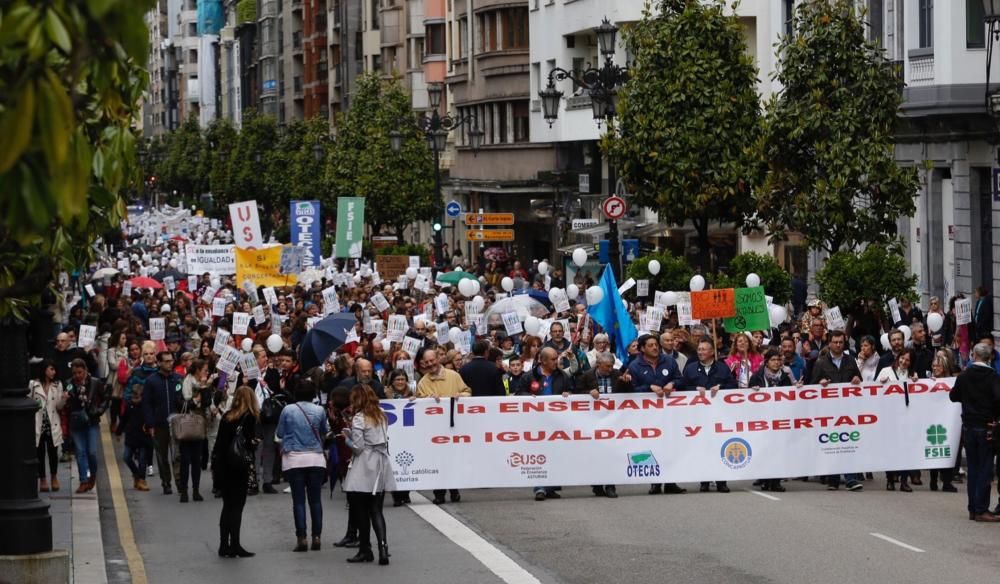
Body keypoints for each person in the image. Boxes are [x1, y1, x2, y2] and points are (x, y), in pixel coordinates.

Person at [276, 368, 329, 552]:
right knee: (315, 500)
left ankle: (302, 537)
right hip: (315, 457)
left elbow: (280, 433)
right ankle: (317, 536)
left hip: (294, 458)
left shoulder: (288, 410)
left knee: (298, 500)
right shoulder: (319, 410)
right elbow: (324, 431)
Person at [342, 384, 396, 565]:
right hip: (381, 462)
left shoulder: (359, 418)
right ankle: (383, 547)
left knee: (361, 511)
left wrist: (347, 437)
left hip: (365, 464)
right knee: (376, 510)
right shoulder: (381, 413)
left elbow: (358, 447)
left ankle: (365, 549)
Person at [948, 343, 1000, 522]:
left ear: (974, 356)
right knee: (985, 468)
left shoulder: (964, 375)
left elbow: (953, 396)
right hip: (986, 426)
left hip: (968, 426)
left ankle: (973, 508)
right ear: (989, 357)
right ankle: (981, 509)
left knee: (974, 468)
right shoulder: (992, 376)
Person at [415, 346, 470, 504]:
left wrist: (462, 395)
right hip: (434, 430)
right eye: (427, 362)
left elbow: (467, 391)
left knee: (452, 460)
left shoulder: (454, 376)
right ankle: (439, 493)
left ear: (438, 359)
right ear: (423, 364)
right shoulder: (423, 383)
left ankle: (454, 490)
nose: (430, 364)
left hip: (454, 427)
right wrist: (425, 400)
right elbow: (419, 404)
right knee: (436, 461)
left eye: (432, 360)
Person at [809, 331, 863, 491]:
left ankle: (850, 478)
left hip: (847, 410)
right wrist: (820, 382)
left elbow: (859, 380)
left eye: (841, 342)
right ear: (830, 343)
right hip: (829, 411)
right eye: (835, 342)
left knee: (848, 441)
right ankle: (833, 479)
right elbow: (812, 385)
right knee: (832, 442)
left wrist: (856, 380)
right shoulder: (821, 363)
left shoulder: (850, 361)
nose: (838, 345)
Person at [518, 347, 573, 501]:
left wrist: (568, 395)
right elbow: (518, 394)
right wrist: (530, 397)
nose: (557, 361)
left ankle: (550, 487)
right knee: (540, 454)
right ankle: (539, 487)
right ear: (543, 361)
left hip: (557, 423)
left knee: (555, 455)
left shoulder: (562, 376)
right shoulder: (529, 377)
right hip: (536, 423)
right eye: (554, 359)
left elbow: (571, 391)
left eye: (557, 358)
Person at [682, 339, 736, 492]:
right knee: (702, 448)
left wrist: (721, 387)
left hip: (719, 416)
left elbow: (733, 385)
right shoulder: (691, 368)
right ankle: (704, 481)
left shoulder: (722, 368)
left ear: (712, 352)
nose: (700, 352)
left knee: (720, 446)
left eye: (704, 349)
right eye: (699, 349)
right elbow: (682, 386)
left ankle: (721, 481)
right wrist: (694, 388)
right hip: (698, 416)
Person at [213, 386, 260, 556]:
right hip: (239, 467)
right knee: (237, 507)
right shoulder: (249, 418)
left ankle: (223, 544)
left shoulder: (227, 416)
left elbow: (219, 444)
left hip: (224, 466)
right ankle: (236, 545)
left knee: (227, 506)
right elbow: (248, 444)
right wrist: (254, 442)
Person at [576, 352, 629, 498]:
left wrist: (626, 382)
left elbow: (628, 393)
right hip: (593, 421)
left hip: (613, 420)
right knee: (596, 453)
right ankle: (597, 484)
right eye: (607, 367)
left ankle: (610, 485)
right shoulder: (587, 376)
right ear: (598, 365)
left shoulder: (617, 374)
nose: (610, 369)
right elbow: (576, 393)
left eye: (611, 366)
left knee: (611, 452)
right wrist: (587, 392)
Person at [748, 349, 795, 492]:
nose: (776, 363)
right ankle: (765, 478)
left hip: (779, 418)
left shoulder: (785, 378)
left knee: (778, 449)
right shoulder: (757, 377)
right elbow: (747, 398)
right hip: (762, 419)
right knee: (765, 449)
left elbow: (790, 397)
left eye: (778, 360)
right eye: (773, 360)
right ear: (766, 362)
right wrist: (752, 391)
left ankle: (775, 481)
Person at [877, 349, 918, 492]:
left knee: (905, 449)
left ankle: (904, 481)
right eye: (902, 358)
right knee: (890, 449)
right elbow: (874, 391)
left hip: (906, 416)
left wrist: (915, 381)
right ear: (898, 357)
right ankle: (890, 479)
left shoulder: (912, 375)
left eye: (907, 360)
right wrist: (880, 383)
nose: (904, 362)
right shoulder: (885, 371)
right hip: (889, 416)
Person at [142, 351, 183, 495]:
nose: (170, 363)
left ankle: (179, 482)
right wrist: (150, 424)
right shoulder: (151, 381)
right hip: (159, 424)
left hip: (177, 423)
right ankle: (166, 482)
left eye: (171, 361)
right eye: (166, 361)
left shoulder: (178, 379)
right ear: (159, 363)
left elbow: (183, 400)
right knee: (162, 455)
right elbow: (146, 404)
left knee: (177, 455)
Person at [65, 358, 107, 493]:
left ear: (85, 371)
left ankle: (92, 475)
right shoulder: (69, 384)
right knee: (80, 452)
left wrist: (99, 411)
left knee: (92, 452)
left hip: (91, 421)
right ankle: (83, 480)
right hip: (76, 422)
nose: (77, 376)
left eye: (80, 372)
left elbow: (105, 399)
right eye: (75, 373)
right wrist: (67, 399)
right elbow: (67, 404)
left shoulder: (95, 383)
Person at [177, 358, 213, 503]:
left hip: (199, 425)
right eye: (205, 370)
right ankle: (184, 491)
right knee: (185, 459)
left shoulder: (204, 385)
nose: (207, 373)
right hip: (187, 424)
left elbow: (207, 402)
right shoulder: (184, 383)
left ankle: (196, 490)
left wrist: (204, 387)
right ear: (197, 371)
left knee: (196, 460)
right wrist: (194, 401)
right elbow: (179, 403)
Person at [31, 359, 65, 493]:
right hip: (39, 423)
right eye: (51, 369)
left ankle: (54, 477)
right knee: (39, 453)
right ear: (44, 369)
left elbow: (58, 407)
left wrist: (64, 399)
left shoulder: (57, 385)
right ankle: (43, 479)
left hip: (52, 424)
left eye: (54, 369)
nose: (53, 372)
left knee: (53, 453)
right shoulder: (33, 384)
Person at [929, 353, 958, 493]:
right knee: (934, 448)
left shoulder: (953, 381)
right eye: (933, 366)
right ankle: (933, 480)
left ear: (945, 367)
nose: (935, 368)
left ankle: (947, 481)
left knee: (948, 449)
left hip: (949, 420)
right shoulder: (929, 381)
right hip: (933, 420)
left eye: (938, 366)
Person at [119, 382, 152, 491]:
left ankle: (142, 480)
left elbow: (151, 418)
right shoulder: (129, 406)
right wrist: (119, 432)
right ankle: (136, 474)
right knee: (126, 457)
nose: (135, 397)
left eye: (137, 395)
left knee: (142, 459)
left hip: (143, 436)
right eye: (134, 395)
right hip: (131, 436)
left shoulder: (146, 406)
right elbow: (123, 420)